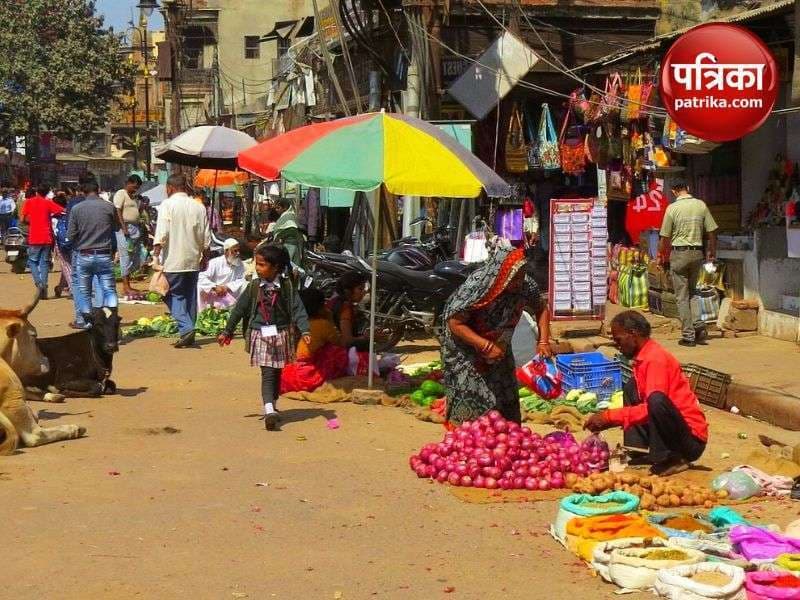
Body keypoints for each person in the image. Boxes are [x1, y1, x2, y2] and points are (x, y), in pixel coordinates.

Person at [584, 311, 708, 476]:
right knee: (630, 387)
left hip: (690, 440)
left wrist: (609, 417)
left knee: (656, 400)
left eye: (618, 340)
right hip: (676, 427)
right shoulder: (643, 358)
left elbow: (651, 409)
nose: (617, 345)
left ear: (632, 334)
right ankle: (639, 449)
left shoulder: (655, 360)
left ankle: (673, 458)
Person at [441, 246, 552, 424]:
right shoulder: (478, 286)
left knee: (504, 396)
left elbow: (541, 308)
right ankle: (467, 442)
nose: (518, 282)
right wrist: (485, 345)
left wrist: (544, 341)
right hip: (467, 349)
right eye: (513, 278)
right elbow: (454, 322)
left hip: (500, 346)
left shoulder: (525, 286)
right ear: (501, 274)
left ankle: (505, 437)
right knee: (472, 397)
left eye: (521, 276)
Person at [218, 245, 311, 431]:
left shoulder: (287, 287)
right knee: (268, 371)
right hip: (260, 335)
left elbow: (297, 309)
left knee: (277, 371)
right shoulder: (253, 287)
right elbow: (239, 309)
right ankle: (269, 409)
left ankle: (273, 403)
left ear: (275, 267)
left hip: (282, 334)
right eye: (256, 264)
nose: (257, 268)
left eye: (261, 265)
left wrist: (305, 330)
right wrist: (227, 331)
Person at [154, 174, 211, 349]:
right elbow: (206, 235)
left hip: (174, 260)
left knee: (171, 294)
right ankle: (189, 329)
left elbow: (162, 232)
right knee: (189, 296)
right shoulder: (198, 207)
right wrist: (205, 256)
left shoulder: (167, 205)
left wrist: (155, 254)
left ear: (169, 188)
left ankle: (186, 329)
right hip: (193, 259)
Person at [658, 181, 718, 347]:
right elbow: (712, 231)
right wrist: (712, 251)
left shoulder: (672, 209)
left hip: (679, 254)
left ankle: (688, 335)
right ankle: (698, 325)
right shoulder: (701, 205)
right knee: (694, 292)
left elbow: (665, 237)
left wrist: (661, 255)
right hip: (697, 253)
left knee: (682, 296)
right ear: (688, 189)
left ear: (674, 192)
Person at [67, 180, 120, 315]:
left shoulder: (76, 209)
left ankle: (87, 320)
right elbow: (117, 227)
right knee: (109, 289)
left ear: (83, 192)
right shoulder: (109, 207)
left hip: (84, 254)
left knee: (84, 291)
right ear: (99, 190)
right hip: (104, 254)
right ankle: (110, 318)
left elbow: (71, 235)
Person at [280, 288, 348, 394]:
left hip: (284, 376)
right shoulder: (322, 324)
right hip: (307, 376)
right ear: (319, 307)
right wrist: (330, 319)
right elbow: (340, 343)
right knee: (337, 352)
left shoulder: (289, 324)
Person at [20, 184, 64, 299]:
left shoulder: (29, 202)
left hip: (34, 237)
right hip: (47, 237)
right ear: (46, 193)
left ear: (37, 192)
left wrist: (31, 222)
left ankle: (39, 284)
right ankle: (43, 288)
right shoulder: (48, 202)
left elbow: (22, 219)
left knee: (33, 261)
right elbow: (62, 211)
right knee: (44, 263)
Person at [113, 174, 143, 298]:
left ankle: (128, 283)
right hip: (125, 228)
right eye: (134, 186)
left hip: (135, 228)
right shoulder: (121, 193)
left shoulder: (134, 197)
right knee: (125, 256)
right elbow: (117, 210)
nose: (136, 189)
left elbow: (137, 213)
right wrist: (124, 227)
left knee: (134, 257)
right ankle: (126, 286)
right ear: (129, 183)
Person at [197, 238, 247, 311]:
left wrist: (227, 287)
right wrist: (214, 287)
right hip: (213, 292)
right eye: (235, 251)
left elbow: (241, 279)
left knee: (245, 285)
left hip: (229, 293)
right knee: (199, 286)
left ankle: (236, 310)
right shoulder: (215, 262)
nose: (238, 253)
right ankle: (202, 310)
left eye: (239, 250)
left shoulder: (240, 264)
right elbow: (201, 277)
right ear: (226, 251)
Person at [328, 271, 370, 351]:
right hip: (337, 352)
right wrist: (368, 337)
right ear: (348, 291)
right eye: (360, 289)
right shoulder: (345, 308)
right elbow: (347, 341)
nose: (363, 293)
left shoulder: (333, 300)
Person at [52, 191, 72, 298]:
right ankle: (61, 286)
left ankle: (73, 289)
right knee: (69, 265)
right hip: (72, 242)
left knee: (66, 265)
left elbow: (53, 233)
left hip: (60, 244)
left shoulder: (54, 217)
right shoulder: (70, 214)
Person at [272, 198, 304, 266]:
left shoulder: (289, 216)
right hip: (286, 244)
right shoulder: (285, 216)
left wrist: (279, 236)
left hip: (290, 245)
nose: (276, 210)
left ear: (285, 208)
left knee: (289, 265)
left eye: (278, 208)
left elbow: (292, 229)